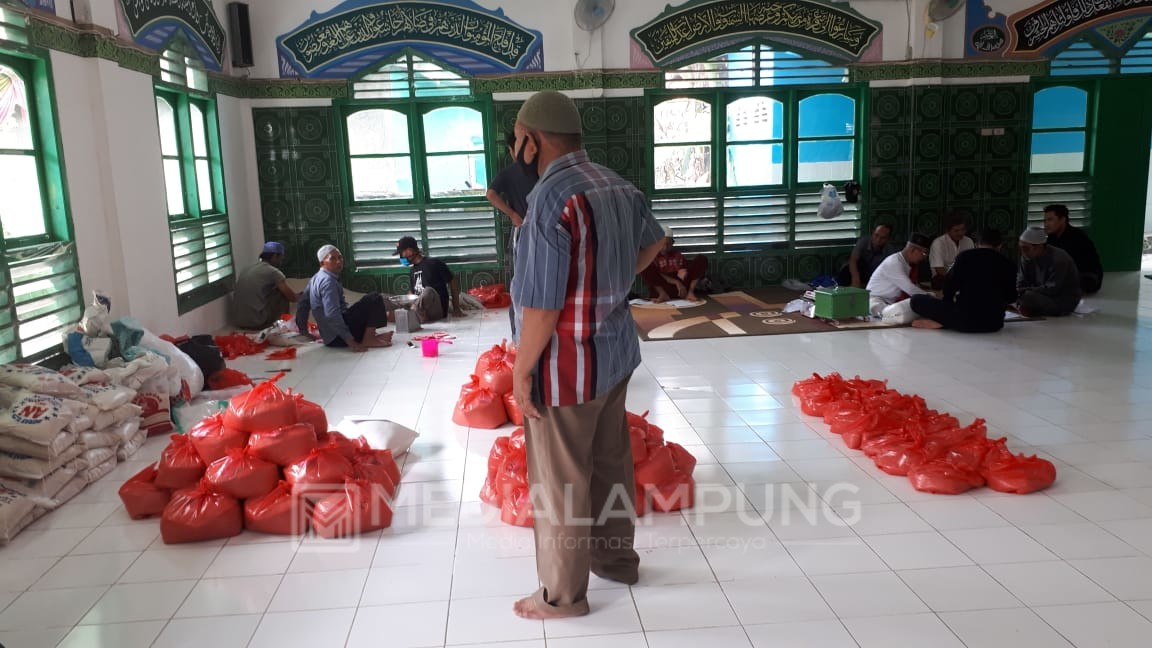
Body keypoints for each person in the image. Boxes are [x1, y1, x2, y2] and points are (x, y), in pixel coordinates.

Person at [508, 90, 665, 620]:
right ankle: (616, 561)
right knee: (609, 465)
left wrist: (521, 370)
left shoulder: (550, 200)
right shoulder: (617, 185)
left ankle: (561, 596)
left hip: (567, 367)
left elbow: (542, 306)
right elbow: (653, 244)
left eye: (516, 141)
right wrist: (612, 284)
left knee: (560, 482)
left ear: (531, 141)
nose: (515, 152)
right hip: (614, 356)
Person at [910, 228, 1017, 332]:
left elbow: (949, 289)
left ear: (976, 244)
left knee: (916, 300)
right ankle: (946, 322)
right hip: (993, 323)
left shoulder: (964, 257)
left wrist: (945, 309)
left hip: (964, 320)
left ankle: (944, 322)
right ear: (1000, 246)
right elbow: (1011, 297)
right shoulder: (1009, 264)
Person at [486, 132, 539, 335]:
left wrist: (512, 214)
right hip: (539, 231)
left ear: (512, 150)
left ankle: (521, 335)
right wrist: (513, 214)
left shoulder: (510, 173)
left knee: (520, 283)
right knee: (531, 282)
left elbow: (490, 194)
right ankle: (522, 333)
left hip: (524, 230)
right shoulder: (541, 170)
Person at [295, 245, 393, 351]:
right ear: (322, 263)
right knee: (374, 298)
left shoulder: (316, 278)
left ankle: (369, 336)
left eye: (340, 257)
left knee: (362, 305)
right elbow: (332, 315)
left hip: (329, 338)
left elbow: (302, 305)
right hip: (338, 338)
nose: (338, 261)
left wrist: (304, 331)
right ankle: (368, 338)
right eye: (332, 258)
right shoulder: (328, 282)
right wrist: (351, 342)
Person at [393, 236, 464, 323]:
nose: (401, 257)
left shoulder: (434, 263)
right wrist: (408, 302)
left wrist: (456, 308)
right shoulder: (412, 271)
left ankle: (411, 315)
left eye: (401, 253)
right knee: (382, 298)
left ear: (409, 251)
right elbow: (412, 292)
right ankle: (412, 315)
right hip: (419, 308)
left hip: (436, 309)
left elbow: (452, 282)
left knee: (428, 291)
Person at [231, 242, 298, 329]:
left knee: (272, 290)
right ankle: (282, 324)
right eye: (281, 258)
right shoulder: (273, 272)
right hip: (257, 322)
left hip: (239, 322)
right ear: (274, 256)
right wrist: (302, 297)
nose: (282, 260)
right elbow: (291, 298)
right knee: (281, 294)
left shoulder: (248, 268)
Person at [1016, 226, 1082, 317]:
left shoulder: (1059, 259)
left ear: (1039, 247)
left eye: (1025, 248)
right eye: (1021, 248)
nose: (1023, 252)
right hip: (1038, 293)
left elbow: (1052, 289)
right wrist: (1016, 291)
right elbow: (1021, 281)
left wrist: (1024, 291)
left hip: (1061, 300)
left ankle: (1029, 308)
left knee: (1027, 296)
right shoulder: (1026, 257)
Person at [865, 233, 932, 316]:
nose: (923, 257)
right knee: (897, 314)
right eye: (924, 253)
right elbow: (910, 289)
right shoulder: (894, 262)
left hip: (891, 303)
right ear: (912, 250)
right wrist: (931, 298)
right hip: (875, 300)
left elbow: (914, 287)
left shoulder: (906, 263)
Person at [639, 224, 709, 302]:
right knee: (644, 266)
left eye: (668, 244)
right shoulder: (652, 256)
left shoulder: (676, 254)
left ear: (673, 243)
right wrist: (676, 282)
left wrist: (683, 271)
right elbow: (655, 274)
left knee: (701, 259)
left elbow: (685, 270)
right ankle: (662, 294)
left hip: (681, 289)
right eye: (662, 244)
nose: (665, 247)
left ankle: (690, 292)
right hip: (664, 287)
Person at [1043, 204, 1102, 294]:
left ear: (1062, 220)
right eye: (1045, 220)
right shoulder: (1052, 237)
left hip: (1087, 276)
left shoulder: (1077, 237)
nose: (1046, 224)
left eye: (1050, 220)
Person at [928, 213, 974, 289]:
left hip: (965, 280)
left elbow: (972, 265)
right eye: (956, 231)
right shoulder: (938, 243)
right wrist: (958, 280)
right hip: (943, 280)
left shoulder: (968, 241)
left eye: (963, 230)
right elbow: (939, 270)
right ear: (947, 231)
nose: (961, 233)